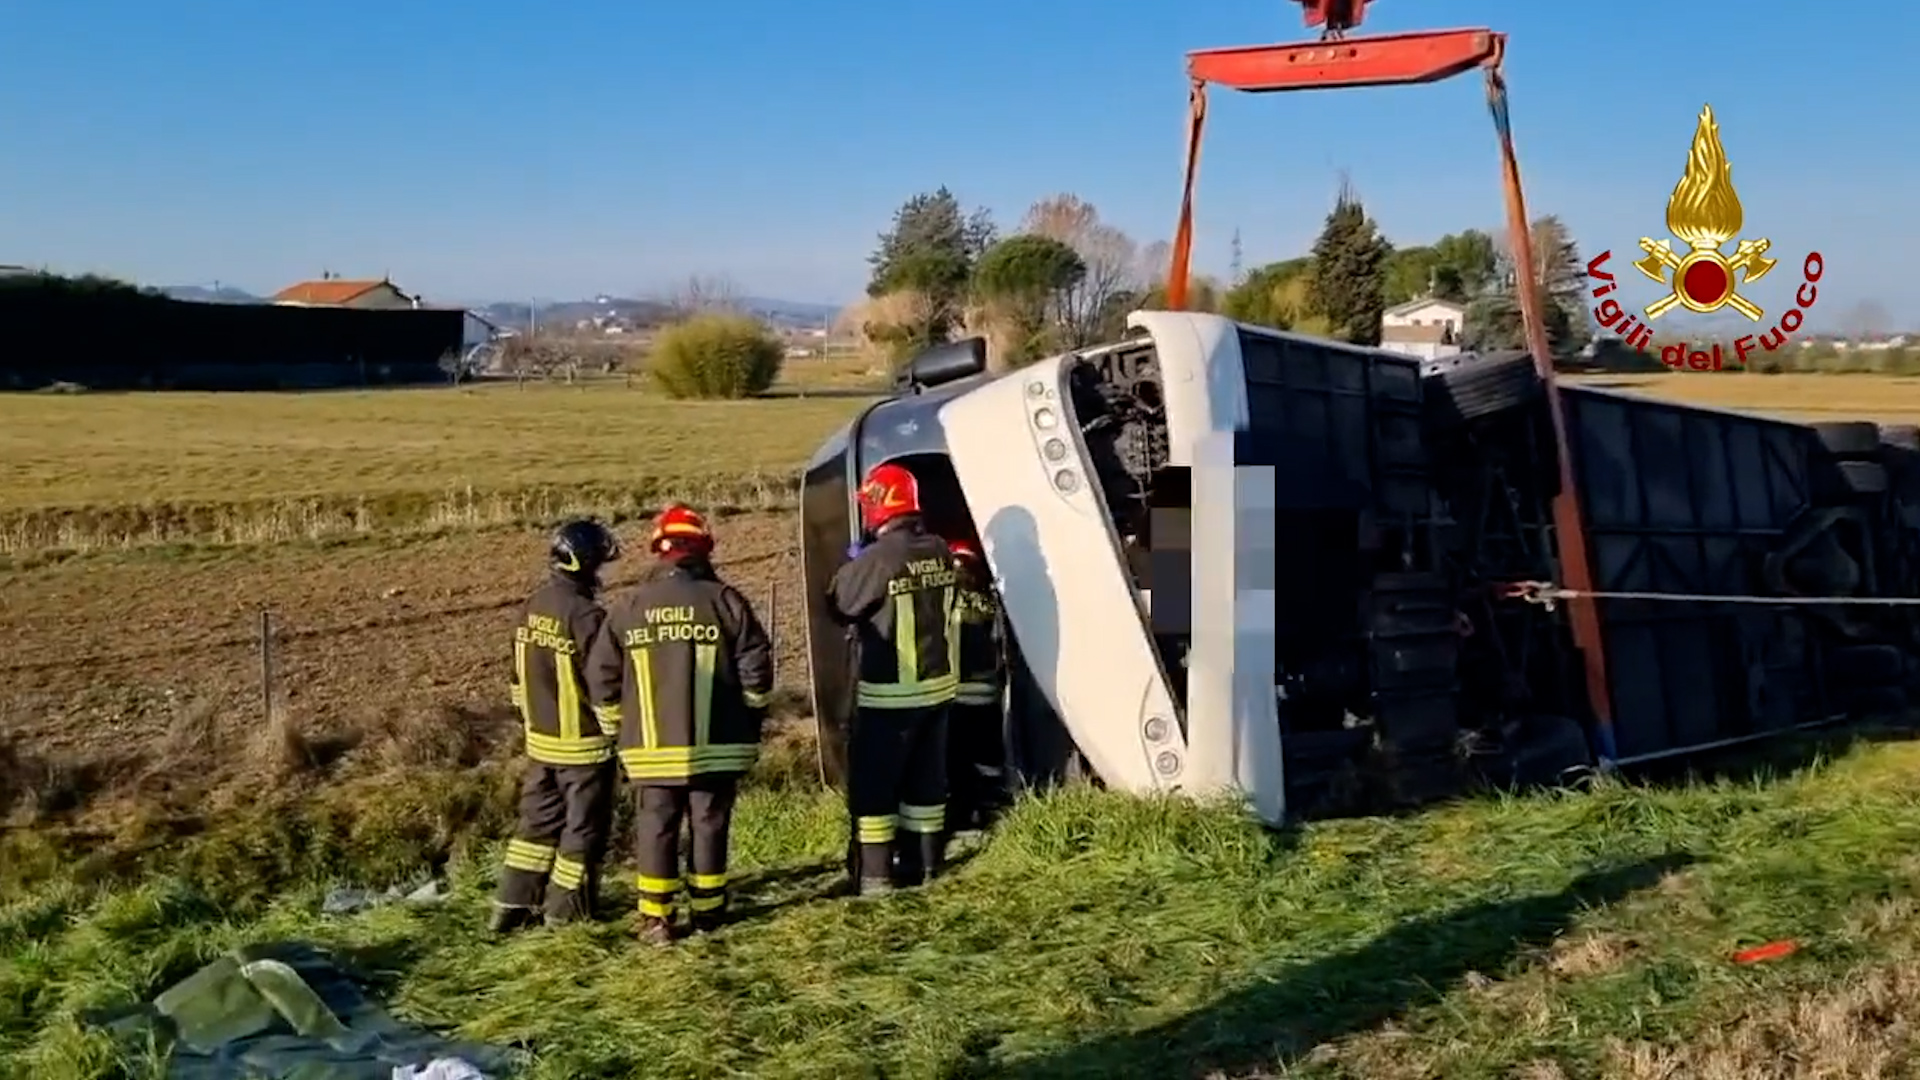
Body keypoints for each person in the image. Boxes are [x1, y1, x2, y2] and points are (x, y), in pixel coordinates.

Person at [586, 503, 773, 945]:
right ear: (704, 549)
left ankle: (656, 921)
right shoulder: (725, 600)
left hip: (650, 750)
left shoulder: (630, 606)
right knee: (709, 824)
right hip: (718, 746)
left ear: (659, 551)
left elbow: (601, 677)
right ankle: (709, 914)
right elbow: (757, 669)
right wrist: (750, 719)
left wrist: (618, 730)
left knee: (656, 827)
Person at [826, 462, 959, 896]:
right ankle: (926, 868)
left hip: (889, 695)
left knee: (875, 791)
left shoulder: (881, 558)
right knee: (926, 785)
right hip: (937, 689)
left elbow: (840, 602)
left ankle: (875, 878)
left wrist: (857, 563)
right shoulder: (939, 548)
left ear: (878, 506)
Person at [491, 518, 623, 934]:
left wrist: (530, 720)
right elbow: (604, 684)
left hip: (540, 743)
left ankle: (512, 906)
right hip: (583, 748)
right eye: (599, 563)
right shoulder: (587, 616)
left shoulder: (532, 605)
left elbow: (517, 675)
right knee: (581, 832)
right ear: (586, 565)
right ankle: (566, 914)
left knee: (535, 828)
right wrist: (617, 733)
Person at [946, 538, 1007, 832]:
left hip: (955, 693)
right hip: (987, 693)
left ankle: (962, 814)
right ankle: (989, 812)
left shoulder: (947, 597)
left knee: (957, 758)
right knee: (987, 757)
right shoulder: (990, 598)